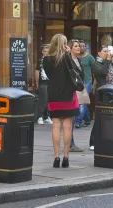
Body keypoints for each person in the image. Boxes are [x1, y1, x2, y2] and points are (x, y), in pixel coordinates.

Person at [42, 34, 79, 168]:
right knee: (67, 126)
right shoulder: (67, 58)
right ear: (64, 44)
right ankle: (66, 157)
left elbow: (49, 74)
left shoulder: (46, 60)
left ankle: (56, 156)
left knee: (56, 126)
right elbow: (75, 72)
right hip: (68, 95)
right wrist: (68, 54)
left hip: (53, 95)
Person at [89, 45, 112, 151]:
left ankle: (107, 139)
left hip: (112, 91)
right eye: (104, 51)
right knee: (99, 117)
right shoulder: (96, 64)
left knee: (110, 117)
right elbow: (101, 73)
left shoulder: (110, 63)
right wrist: (107, 61)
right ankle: (93, 140)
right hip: (102, 92)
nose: (107, 53)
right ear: (99, 53)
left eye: (108, 51)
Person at [76, 41, 95, 128]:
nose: (82, 47)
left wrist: (94, 82)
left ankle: (78, 121)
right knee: (82, 101)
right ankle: (87, 120)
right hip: (78, 82)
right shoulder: (75, 57)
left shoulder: (89, 57)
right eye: (80, 46)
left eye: (84, 46)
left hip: (87, 81)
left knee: (82, 102)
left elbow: (95, 70)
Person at [35, 44, 51, 124]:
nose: (46, 53)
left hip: (50, 83)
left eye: (47, 51)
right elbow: (37, 71)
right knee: (43, 100)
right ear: (42, 52)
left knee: (48, 100)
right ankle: (40, 116)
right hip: (43, 82)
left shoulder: (51, 60)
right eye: (45, 51)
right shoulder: (40, 60)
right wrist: (37, 82)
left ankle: (46, 116)